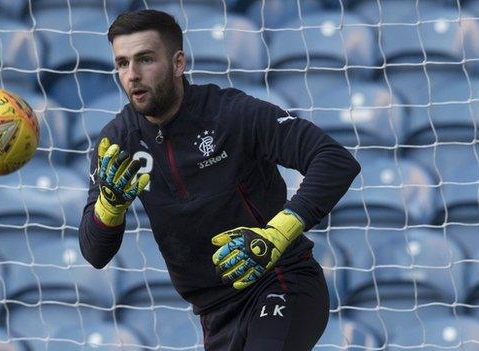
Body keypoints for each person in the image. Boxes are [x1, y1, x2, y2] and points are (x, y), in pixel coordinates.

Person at [79, 9, 361, 351]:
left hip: (280, 282)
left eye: (145, 59)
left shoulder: (230, 113)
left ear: (178, 62)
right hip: (214, 314)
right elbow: (94, 253)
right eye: (122, 63)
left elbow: (334, 159)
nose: (132, 75)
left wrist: (277, 233)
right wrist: (110, 208)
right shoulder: (118, 142)